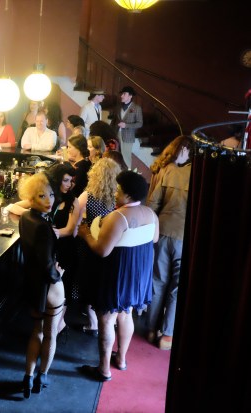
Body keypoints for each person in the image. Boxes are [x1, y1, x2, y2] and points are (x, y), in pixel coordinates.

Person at [77, 170, 159, 381]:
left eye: (118, 190)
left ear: (129, 196)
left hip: (117, 273)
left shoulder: (118, 217)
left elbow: (102, 250)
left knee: (106, 319)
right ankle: (121, 360)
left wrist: (86, 234)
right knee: (126, 314)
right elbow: (154, 239)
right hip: (138, 273)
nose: (114, 192)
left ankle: (103, 369)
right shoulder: (151, 214)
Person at [17, 173, 65, 398]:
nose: (49, 200)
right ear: (31, 198)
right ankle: (42, 376)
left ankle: (27, 377)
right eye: (42, 196)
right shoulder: (44, 227)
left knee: (35, 331)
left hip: (31, 284)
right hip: (49, 286)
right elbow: (48, 265)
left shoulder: (25, 218)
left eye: (51, 195)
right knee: (50, 334)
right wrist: (58, 274)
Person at [146, 135, 192, 351]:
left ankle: (151, 328)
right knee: (176, 287)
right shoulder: (200, 174)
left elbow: (153, 203)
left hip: (163, 232)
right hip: (185, 236)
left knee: (158, 282)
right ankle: (167, 334)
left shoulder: (167, 170)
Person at [74, 158, 121, 336]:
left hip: (89, 244)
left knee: (87, 281)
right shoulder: (118, 199)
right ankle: (109, 320)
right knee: (105, 281)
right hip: (110, 244)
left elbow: (76, 218)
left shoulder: (88, 196)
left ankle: (93, 323)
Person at [45, 163, 80, 334]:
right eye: (65, 180)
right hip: (50, 248)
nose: (69, 184)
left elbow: (71, 230)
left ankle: (58, 326)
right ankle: (54, 326)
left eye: (71, 181)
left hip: (65, 249)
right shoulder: (49, 195)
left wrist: (53, 231)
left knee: (62, 286)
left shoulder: (73, 201)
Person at [110, 86, 143, 169]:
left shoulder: (136, 108)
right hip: (117, 134)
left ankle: (127, 175)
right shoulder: (118, 107)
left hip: (128, 136)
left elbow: (140, 123)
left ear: (130, 96)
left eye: (124, 94)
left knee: (126, 157)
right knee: (116, 156)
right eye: (122, 94)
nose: (121, 96)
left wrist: (126, 125)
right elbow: (114, 121)